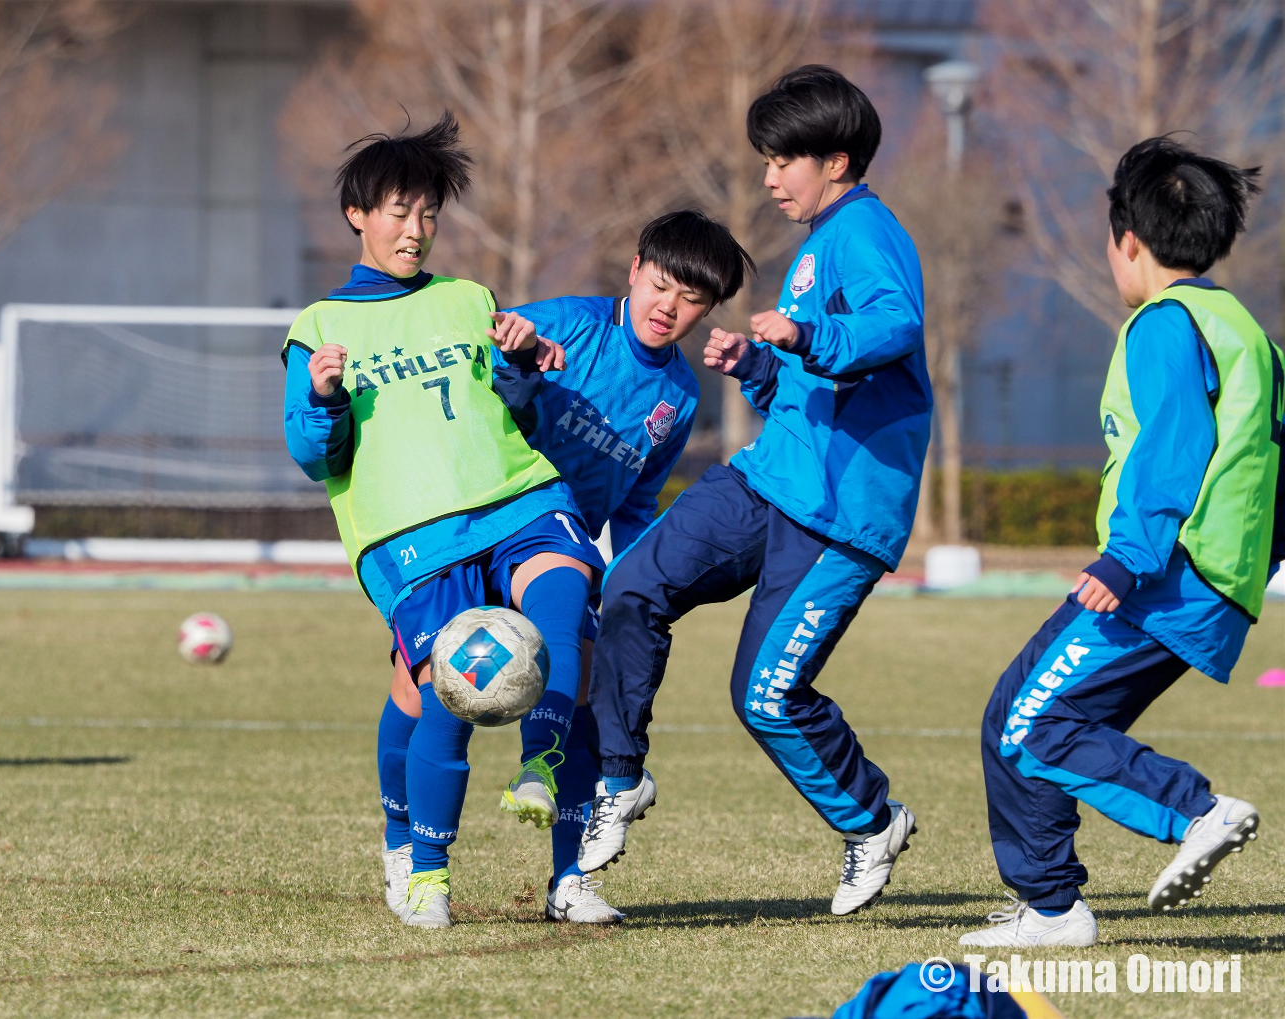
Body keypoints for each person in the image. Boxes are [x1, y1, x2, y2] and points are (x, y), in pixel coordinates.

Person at [580, 65, 931, 917]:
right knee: (631, 584)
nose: (771, 176)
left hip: (839, 515)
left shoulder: (864, 231)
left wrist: (806, 330)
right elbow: (819, 390)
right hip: (768, 479)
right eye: (766, 159)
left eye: (784, 160)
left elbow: (895, 326)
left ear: (836, 161)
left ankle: (871, 819)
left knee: (766, 697)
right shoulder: (817, 245)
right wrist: (762, 365)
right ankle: (621, 779)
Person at [382, 209, 756, 924]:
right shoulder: (570, 323)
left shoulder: (677, 395)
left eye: (691, 300)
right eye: (661, 285)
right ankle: (411, 853)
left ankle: (568, 877)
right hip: (476, 525)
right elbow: (479, 385)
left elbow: (637, 498)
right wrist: (517, 362)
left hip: (563, 550)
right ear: (635, 269)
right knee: (428, 694)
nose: (668, 307)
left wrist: (635, 580)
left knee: (582, 693)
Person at [959, 137, 1283, 948]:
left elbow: (1168, 448)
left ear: (1126, 241)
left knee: (1027, 720)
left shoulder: (1163, 325)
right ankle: (1050, 905)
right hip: (1216, 585)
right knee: (1028, 712)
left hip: (1162, 575)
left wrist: (1126, 555)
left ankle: (1192, 812)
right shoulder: (1250, 335)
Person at [282, 113, 604, 928]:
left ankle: (564, 854)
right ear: (359, 213)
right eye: (399, 211)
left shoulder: (468, 300)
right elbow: (315, 455)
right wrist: (322, 399)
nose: (416, 230)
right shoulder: (318, 328)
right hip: (413, 536)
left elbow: (520, 415)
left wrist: (522, 366)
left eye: (428, 213)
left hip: (520, 497)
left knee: (568, 615)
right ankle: (424, 867)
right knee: (441, 697)